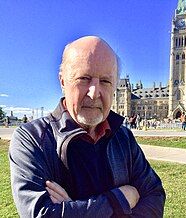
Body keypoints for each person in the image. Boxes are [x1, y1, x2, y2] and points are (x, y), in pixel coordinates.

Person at [9, 36, 165, 217]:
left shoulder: (123, 138)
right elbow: (41, 214)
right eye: (84, 78)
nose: (94, 93)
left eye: (105, 81)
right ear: (62, 82)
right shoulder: (32, 139)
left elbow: (155, 196)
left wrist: (72, 209)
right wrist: (120, 199)